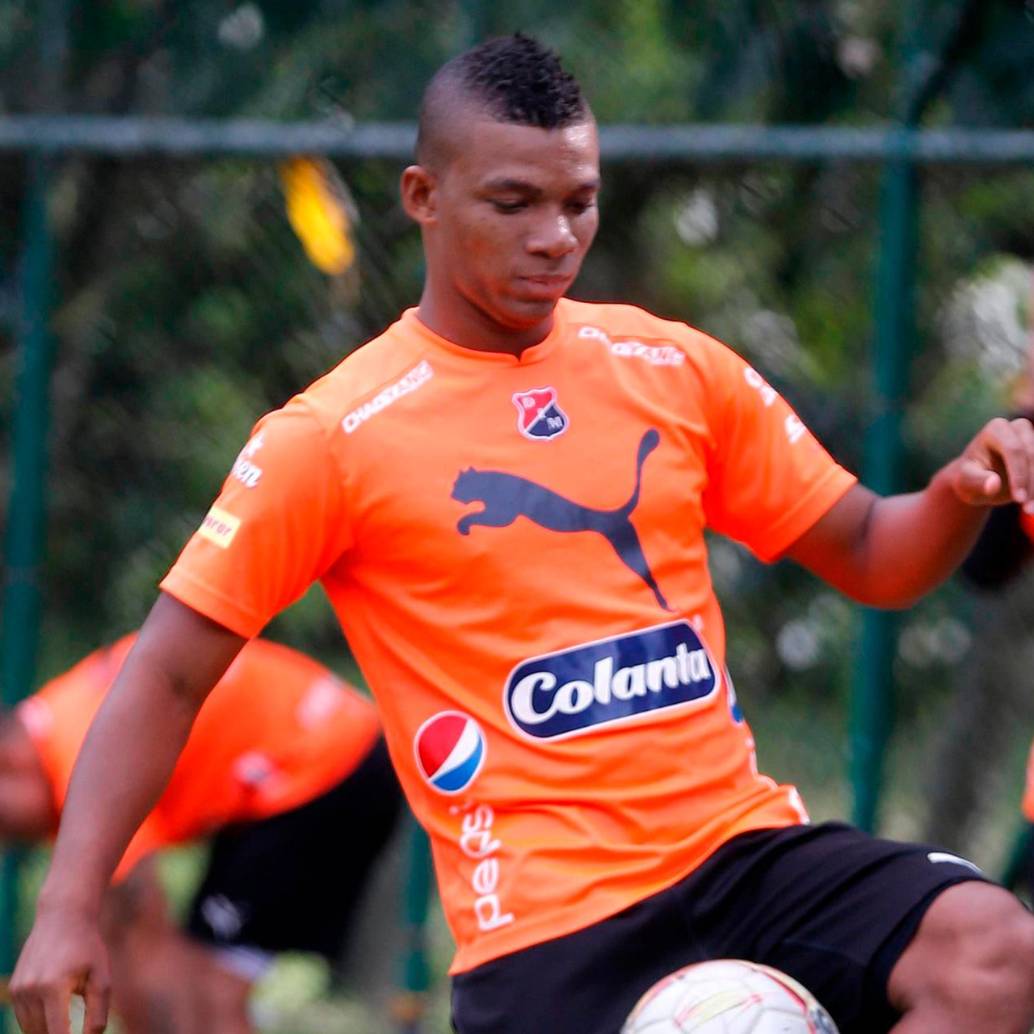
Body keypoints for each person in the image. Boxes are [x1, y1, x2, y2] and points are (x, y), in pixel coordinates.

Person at [12, 33, 1034, 1034]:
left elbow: (870, 552)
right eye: (513, 203)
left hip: (739, 850)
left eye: (577, 201)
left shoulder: (671, 366)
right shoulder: (329, 437)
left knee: (992, 953)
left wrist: (957, 491)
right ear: (423, 196)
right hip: (549, 934)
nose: (553, 236)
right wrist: (67, 905)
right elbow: (165, 674)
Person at [2, 633, 401, 1034]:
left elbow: (139, 932)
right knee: (192, 981)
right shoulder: (61, 718)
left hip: (326, 766)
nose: (9, 839)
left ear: (9, 764)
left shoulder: (78, 754)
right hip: (307, 762)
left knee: (206, 992)